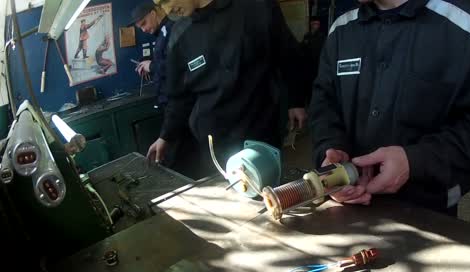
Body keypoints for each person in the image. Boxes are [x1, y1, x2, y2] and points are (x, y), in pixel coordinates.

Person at [309, 0, 470, 216]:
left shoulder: (465, 27)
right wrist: (331, 150)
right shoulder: (342, 29)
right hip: (348, 205)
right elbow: (324, 105)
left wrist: (416, 162)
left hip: (427, 211)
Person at [147, 0, 308, 175]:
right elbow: (179, 97)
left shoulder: (257, 7)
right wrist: (166, 135)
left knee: (264, 195)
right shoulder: (179, 34)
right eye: (160, 4)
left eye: (167, 1)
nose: (167, 9)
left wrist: (296, 100)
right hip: (214, 144)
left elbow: (288, 56)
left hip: (259, 132)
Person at [130, 2, 201, 178]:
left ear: (154, 13)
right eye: (140, 28)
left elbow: (177, 67)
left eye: (144, 23)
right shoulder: (161, 35)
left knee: (182, 160)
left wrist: (152, 65)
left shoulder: (173, 30)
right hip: (170, 106)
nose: (144, 29)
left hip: (182, 106)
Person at [300, 16, 326, 102]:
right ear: (311, 24)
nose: (317, 26)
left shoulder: (322, 36)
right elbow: (302, 48)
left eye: (318, 24)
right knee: (307, 86)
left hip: (317, 66)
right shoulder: (307, 36)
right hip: (307, 66)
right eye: (315, 24)